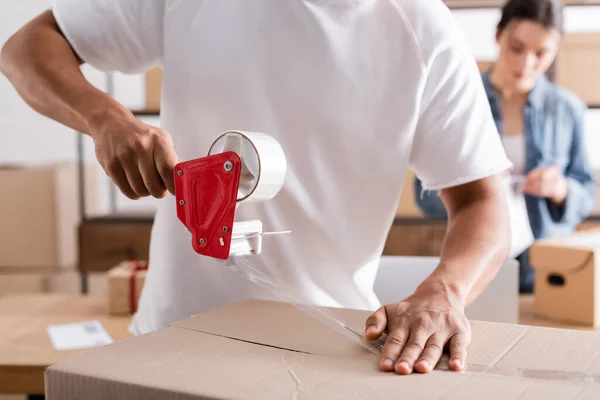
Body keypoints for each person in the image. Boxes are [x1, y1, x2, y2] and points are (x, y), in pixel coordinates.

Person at [1, 0, 513, 375]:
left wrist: (445, 291)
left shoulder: (423, 30)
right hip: (166, 347)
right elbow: (25, 49)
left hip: (323, 363)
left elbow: (485, 201)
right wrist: (105, 117)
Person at [413, 0, 596, 294]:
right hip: (477, 271)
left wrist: (559, 188)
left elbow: (586, 192)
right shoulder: (461, 101)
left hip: (549, 273)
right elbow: (423, 196)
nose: (526, 64)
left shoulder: (567, 109)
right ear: (498, 35)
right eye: (517, 47)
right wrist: (479, 191)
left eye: (541, 53)